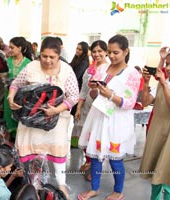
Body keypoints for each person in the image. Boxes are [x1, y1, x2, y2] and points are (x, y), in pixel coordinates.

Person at [7, 36, 79, 195]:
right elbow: (15, 84)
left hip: (56, 122)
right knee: (32, 154)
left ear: (58, 55)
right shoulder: (31, 67)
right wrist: (10, 98)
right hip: (31, 121)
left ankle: (62, 186)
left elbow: (73, 96)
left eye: (52, 57)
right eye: (44, 56)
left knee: (58, 152)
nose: (47, 60)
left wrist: (56, 110)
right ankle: (34, 186)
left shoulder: (66, 70)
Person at [78, 34, 140, 200]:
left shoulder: (132, 73)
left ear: (126, 51)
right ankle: (95, 188)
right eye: (110, 52)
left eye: (116, 52)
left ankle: (118, 192)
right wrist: (94, 87)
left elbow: (130, 102)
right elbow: (93, 95)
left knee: (115, 158)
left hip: (117, 120)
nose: (111, 56)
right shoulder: (102, 69)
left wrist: (110, 96)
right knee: (96, 154)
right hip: (99, 115)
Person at [72, 40, 109, 173]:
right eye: (94, 51)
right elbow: (83, 90)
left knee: (97, 137)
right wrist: (78, 108)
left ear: (106, 52)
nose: (97, 54)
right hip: (86, 107)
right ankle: (88, 162)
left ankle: (95, 168)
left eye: (100, 51)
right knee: (84, 135)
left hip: (100, 109)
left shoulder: (109, 69)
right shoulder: (89, 69)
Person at [139, 61, 170, 199]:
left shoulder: (164, 83)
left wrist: (164, 84)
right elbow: (145, 102)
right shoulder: (163, 82)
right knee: (155, 173)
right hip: (158, 131)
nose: (167, 68)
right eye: (167, 64)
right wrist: (146, 84)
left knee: (167, 172)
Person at [3, 36, 32, 140]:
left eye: (12, 47)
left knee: (19, 117)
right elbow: (4, 75)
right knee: (8, 116)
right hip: (8, 94)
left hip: (21, 96)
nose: (10, 50)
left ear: (19, 48)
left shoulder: (28, 63)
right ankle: (8, 142)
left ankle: (19, 142)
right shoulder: (8, 60)